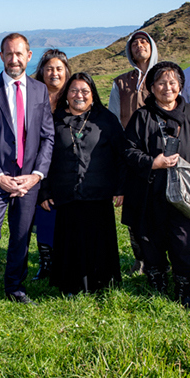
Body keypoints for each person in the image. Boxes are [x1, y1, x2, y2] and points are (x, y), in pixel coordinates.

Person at [0, 33, 55, 323]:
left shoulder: (39, 90)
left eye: (19, 54)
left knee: (20, 236)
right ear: (1, 56)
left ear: (29, 56)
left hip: (29, 179)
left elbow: (47, 136)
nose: (14, 59)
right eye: (9, 53)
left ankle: (14, 286)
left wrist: (36, 175)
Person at [123, 61, 190, 306]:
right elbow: (128, 151)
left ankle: (186, 287)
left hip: (184, 192)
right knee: (151, 239)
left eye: (172, 82)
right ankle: (157, 280)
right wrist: (153, 162)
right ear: (152, 87)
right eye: (161, 82)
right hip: (151, 190)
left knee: (183, 241)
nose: (167, 87)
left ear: (180, 86)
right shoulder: (142, 116)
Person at [40, 72, 124, 295]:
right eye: (74, 90)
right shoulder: (53, 120)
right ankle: (70, 285)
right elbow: (43, 158)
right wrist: (44, 190)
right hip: (66, 192)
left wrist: (120, 187)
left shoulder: (106, 120)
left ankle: (101, 284)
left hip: (99, 192)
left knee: (98, 240)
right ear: (66, 94)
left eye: (85, 91)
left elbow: (121, 155)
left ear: (93, 95)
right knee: (71, 241)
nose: (79, 95)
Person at [108, 30, 159, 274]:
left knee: (159, 206)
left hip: (158, 153)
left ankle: (159, 257)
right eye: (134, 42)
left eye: (144, 41)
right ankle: (139, 258)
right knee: (133, 207)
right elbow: (114, 119)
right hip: (130, 154)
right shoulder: (121, 82)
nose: (139, 45)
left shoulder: (164, 77)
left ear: (153, 47)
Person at [30, 49, 71, 281]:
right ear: (41, 71)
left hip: (66, 167)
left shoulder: (73, 96)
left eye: (59, 68)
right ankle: (46, 263)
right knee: (43, 213)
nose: (54, 73)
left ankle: (64, 259)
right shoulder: (33, 97)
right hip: (37, 165)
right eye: (49, 68)